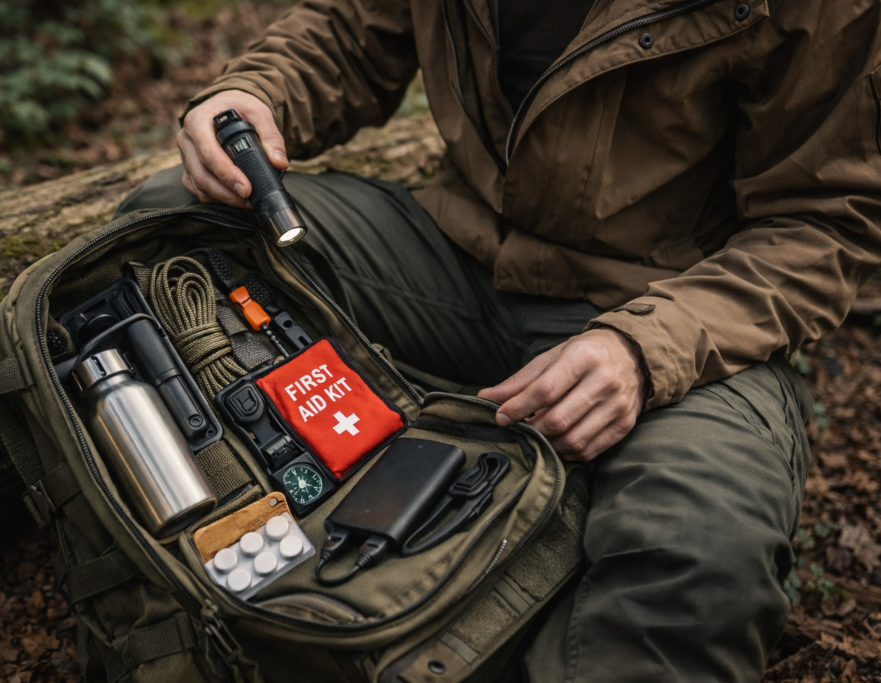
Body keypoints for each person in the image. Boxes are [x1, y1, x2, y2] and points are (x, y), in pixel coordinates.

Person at [116, 1, 881, 680]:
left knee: (697, 554)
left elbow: (827, 221)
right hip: (458, 254)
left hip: (678, 310)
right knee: (168, 232)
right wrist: (259, 89)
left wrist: (647, 349)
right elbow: (355, 30)